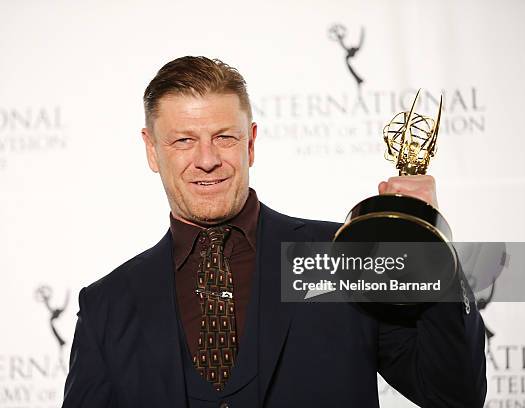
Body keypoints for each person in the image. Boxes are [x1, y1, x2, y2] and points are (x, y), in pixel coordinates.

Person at [62, 56, 486, 407]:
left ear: (250, 143)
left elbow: (455, 396)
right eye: (184, 141)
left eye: (224, 137)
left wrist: (429, 243)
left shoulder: (343, 256)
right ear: (152, 151)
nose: (207, 159)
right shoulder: (107, 306)